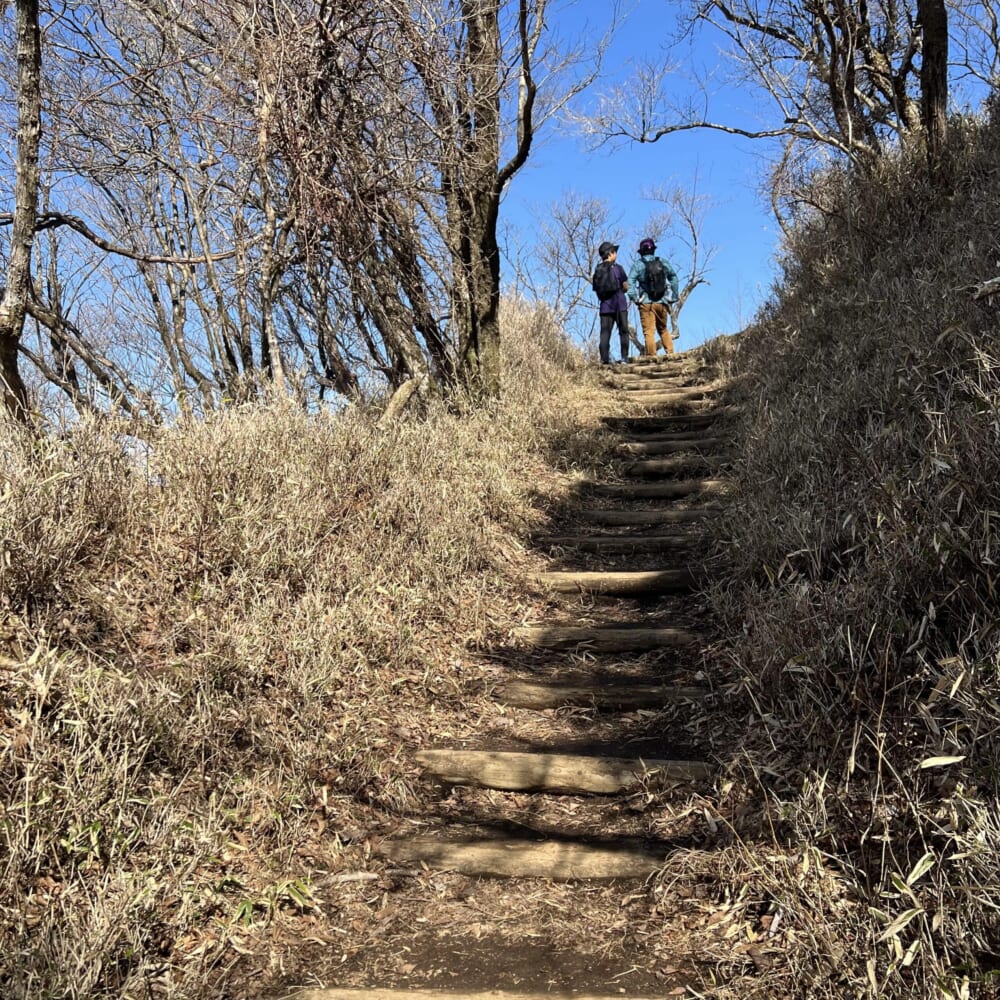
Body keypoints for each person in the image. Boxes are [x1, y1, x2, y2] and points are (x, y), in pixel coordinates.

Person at [628, 237, 680, 356]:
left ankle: (652, 359)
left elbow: (630, 281)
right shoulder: (662, 262)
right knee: (663, 329)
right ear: (653, 251)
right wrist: (674, 296)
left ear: (641, 252)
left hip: (645, 302)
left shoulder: (638, 265)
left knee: (648, 332)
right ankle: (671, 354)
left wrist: (635, 298)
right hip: (662, 301)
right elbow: (673, 278)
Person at [592, 240, 630, 365]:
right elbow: (625, 286)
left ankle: (604, 360)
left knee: (604, 333)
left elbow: (596, 288)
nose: (616, 254)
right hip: (619, 304)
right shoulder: (618, 268)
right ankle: (624, 357)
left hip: (605, 306)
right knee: (623, 331)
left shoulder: (598, 270)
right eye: (614, 252)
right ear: (610, 254)